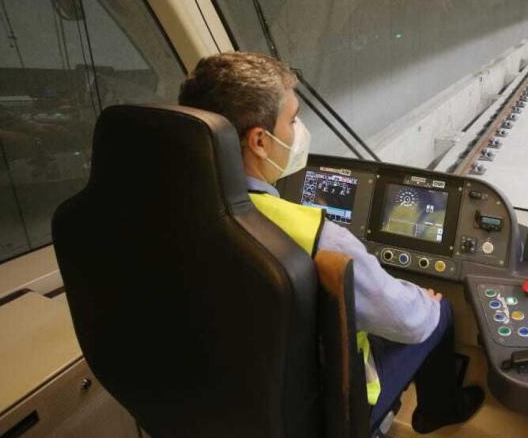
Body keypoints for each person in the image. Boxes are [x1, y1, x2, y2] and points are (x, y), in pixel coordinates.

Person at [178, 52, 484, 434]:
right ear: (258, 140)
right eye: (292, 119)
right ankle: (437, 410)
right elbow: (407, 322)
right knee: (436, 315)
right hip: (313, 413)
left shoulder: (167, 207)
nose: (298, 130)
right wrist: (423, 300)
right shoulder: (319, 238)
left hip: (208, 393)